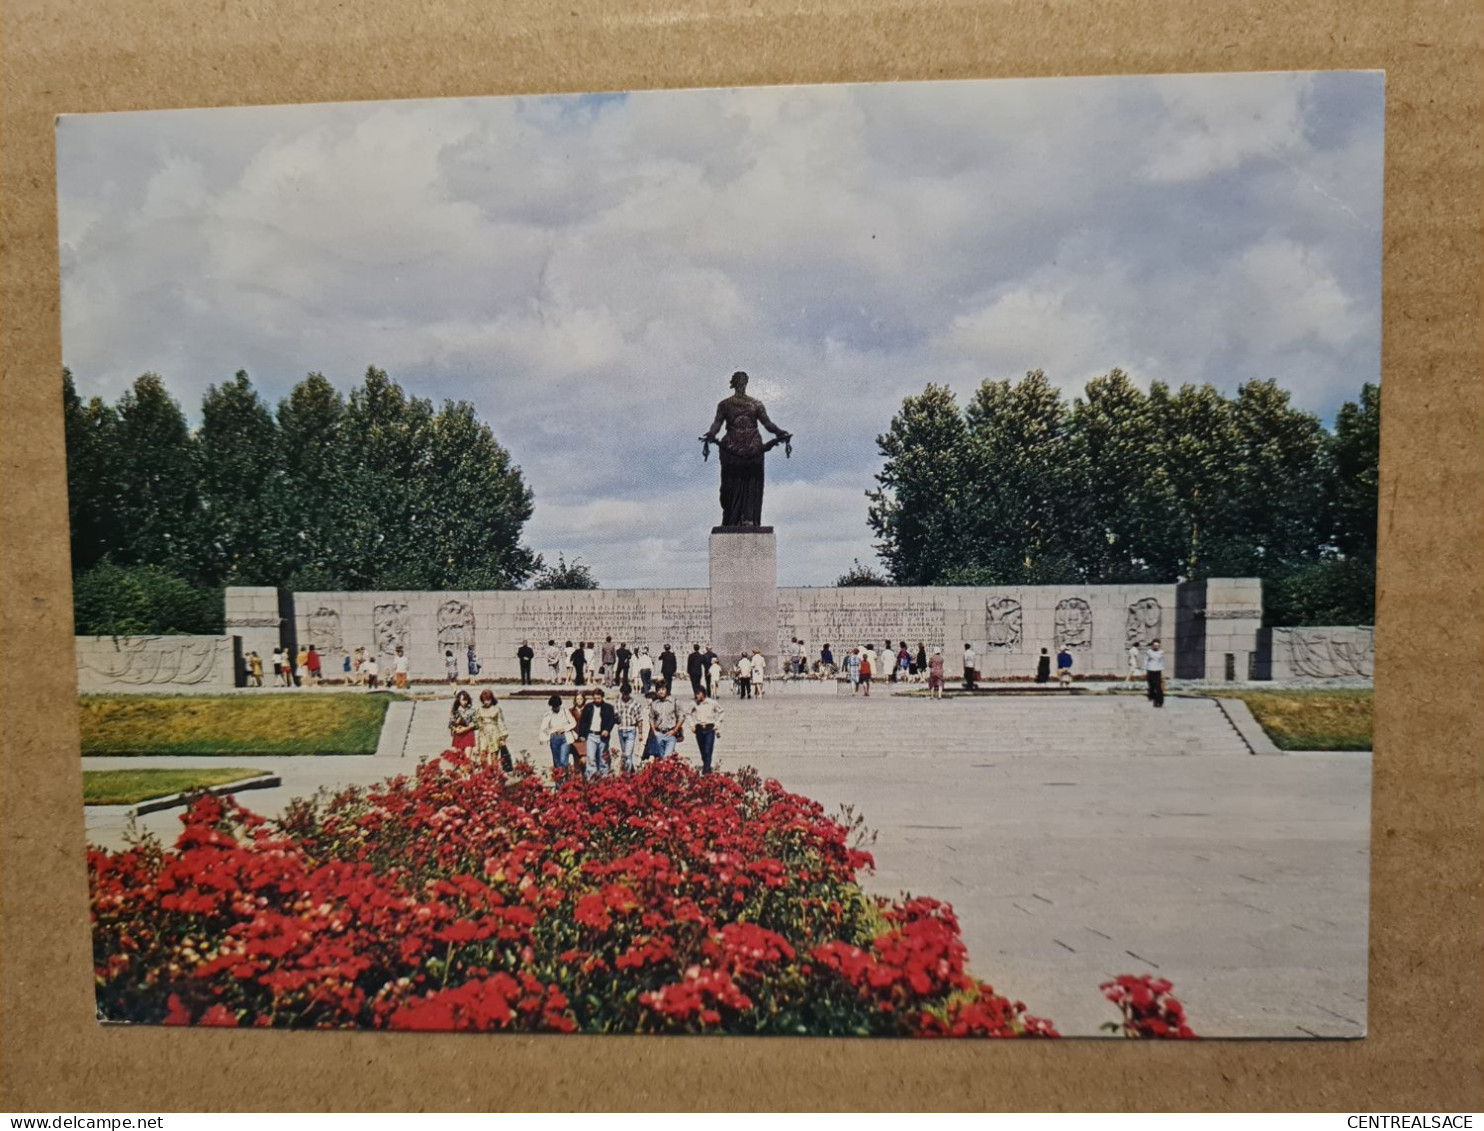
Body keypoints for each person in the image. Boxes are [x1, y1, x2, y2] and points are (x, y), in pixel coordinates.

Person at [578, 688, 617, 778]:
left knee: (603, 759)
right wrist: (582, 735)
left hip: (602, 736)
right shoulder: (588, 707)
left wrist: (607, 730)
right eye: (595, 698)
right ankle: (591, 779)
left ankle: (604, 778)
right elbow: (583, 721)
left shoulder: (608, 707)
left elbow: (611, 720)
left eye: (598, 698)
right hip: (591, 736)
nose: (597, 700)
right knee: (591, 758)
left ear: (602, 697)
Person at [474, 689, 510, 771]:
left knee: (494, 757)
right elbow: (477, 724)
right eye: (484, 700)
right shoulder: (479, 710)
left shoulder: (496, 709)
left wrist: (502, 738)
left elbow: (500, 723)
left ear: (491, 699)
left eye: (488, 699)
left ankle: (494, 774)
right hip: (483, 734)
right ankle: (485, 773)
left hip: (494, 734)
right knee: (482, 756)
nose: (486, 702)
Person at [538, 694, 576, 771]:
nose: (555, 708)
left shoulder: (565, 711)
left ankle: (566, 780)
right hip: (554, 739)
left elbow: (573, 723)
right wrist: (546, 737)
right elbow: (543, 728)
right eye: (553, 706)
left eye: (557, 706)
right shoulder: (548, 714)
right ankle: (559, 781)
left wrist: (564, 729)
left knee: (563, 760)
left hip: (565, 738)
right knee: (556, 761)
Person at [648, 683, 685, 760]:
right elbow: (651, 718)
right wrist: (654, 731)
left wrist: (675, 730)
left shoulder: (674, 702)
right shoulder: (654, 704)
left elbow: (682, 717)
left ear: (667, 690)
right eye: (658, 690)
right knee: (661, 758)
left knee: (666, 757)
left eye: (663, 689)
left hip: (671, 734)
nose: (661, 692)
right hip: (659, 734)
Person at [690, 688, 723, 774]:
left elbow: (721, 712)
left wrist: (717, 724)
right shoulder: (694, 704)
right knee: (703, 750)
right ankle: (706, 765)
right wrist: (692, 724)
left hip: (709, 728)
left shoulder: (712, 703)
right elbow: (687, 713)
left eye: (698, 693)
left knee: (708, 749)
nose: (696, 696)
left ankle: (707, 771)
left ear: (703, 694)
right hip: (699, 728)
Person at [615, 684, 645, 773]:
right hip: (621, 730)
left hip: (631, 730)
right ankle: (631, 770)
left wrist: (640, 733)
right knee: (625, 754)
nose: (624, 696)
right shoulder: (618, 703)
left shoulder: (635, 704)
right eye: (623, 694)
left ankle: (627, 776)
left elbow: (639, 719)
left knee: (628, 754)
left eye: (626, 694)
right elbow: (615, 717)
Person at [1145, 639, 1166, 708]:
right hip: (1150, 670)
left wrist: (1162, 670)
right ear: (1152, 646)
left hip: (1157, 671)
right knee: (1151, 686)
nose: (1156, 646)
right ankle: (1152, 697)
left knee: (1158, 687)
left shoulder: (1161, 652)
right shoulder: (1149, 652)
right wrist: (1145, 669)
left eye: (1157, 645)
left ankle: (1159, 702)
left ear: (1159, 646)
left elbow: (1162, 661)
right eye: (1154, 645)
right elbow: (1146, 661)